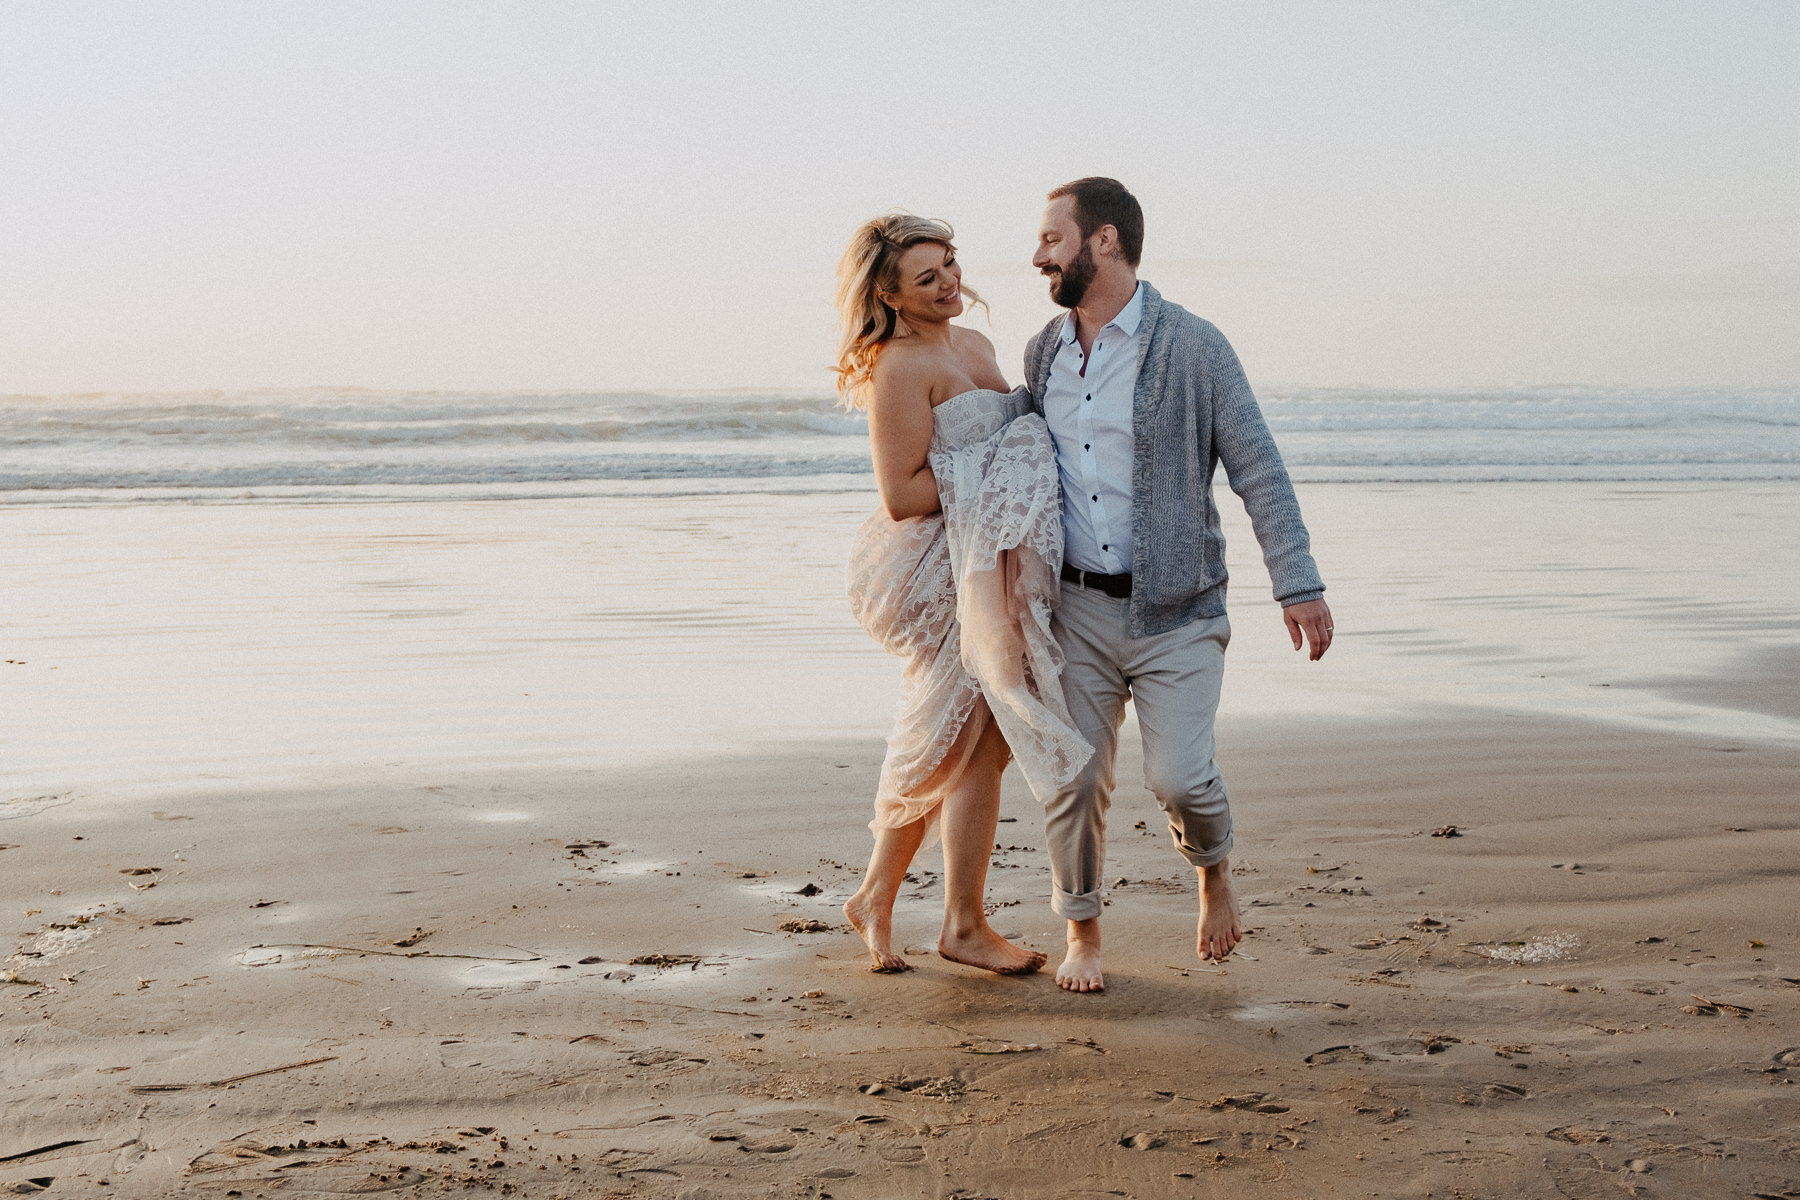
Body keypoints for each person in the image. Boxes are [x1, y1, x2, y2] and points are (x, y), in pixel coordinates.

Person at [1024, 178, 1335, 993]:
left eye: (1053, 238)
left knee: (1180, 778)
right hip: (1076, 607)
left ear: (1104, 242)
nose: (1038, 255)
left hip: (1178, 612)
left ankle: (1212, 869)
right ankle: (1083, 931)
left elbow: (1257, 466)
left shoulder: (1195, 346)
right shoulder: (1044, 352)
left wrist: (1296, 582)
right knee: (1074, 775)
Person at [836, 213, 1092, 976]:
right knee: (947, 733)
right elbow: (903, 494)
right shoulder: (898, 368)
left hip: (990, 565)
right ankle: (928, 912)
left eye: (949, 264)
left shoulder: (975, 345)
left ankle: (936, 914)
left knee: (984, 743)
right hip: (937, 569)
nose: (949, 282)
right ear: (889, 292)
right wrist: (1008, 457)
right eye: (927, 277)